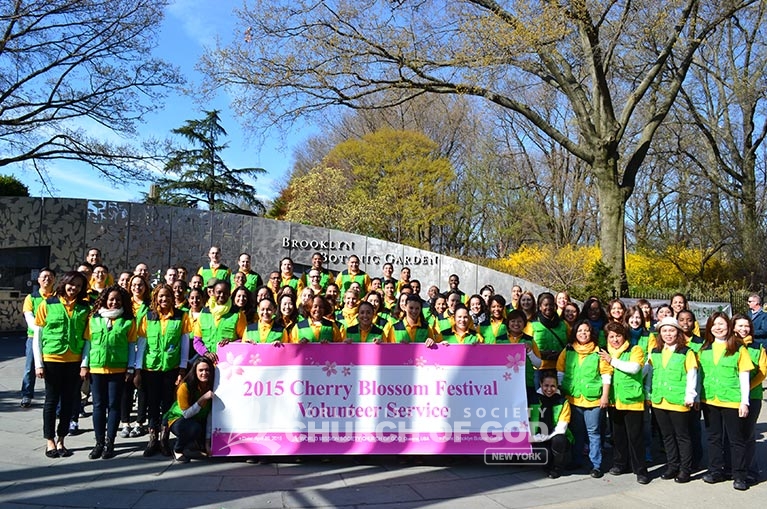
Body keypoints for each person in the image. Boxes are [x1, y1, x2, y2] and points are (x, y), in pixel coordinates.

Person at [32, 271, 90, 458]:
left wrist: (84, 364)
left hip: (73, 361)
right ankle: (49, 440)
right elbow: (37, 336)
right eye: (71, 284)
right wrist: (38, 364)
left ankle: (61, 439)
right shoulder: (47, 304)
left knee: (68, 402)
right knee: (51, 401)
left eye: (79, 286)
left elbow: (87, 339)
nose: (74, 289)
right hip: (51, 359)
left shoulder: (84, 308)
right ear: (64, 283)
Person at [698, 312, 754, 490]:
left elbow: (744, 376)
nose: (718, 327)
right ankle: (716, 470)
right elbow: (699, 376)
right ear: (709, 327)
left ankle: (739, 475)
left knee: (736, 440)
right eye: (714, 324)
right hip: (710, 400)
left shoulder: (738, 348)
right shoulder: (704, 349)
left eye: (721, 324)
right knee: (714, 438)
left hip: (731, 400)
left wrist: (744, 402)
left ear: (729, 327)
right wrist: (697, 396)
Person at [135, 284, 192, 457]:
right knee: (152, 404)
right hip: (150, 368)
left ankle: (164, 438)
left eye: (167, 296)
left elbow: (184, 345)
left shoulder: (181, 316)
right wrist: (138, 370)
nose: (164, 299)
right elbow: (141, 344)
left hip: (171, 368)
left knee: (167, 404)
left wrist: (182, 369)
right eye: (160, 296)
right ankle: (152, 438)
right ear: (155, 298)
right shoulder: (148, 316)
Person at [81, 285, 137, 460]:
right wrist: (84, 365)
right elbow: (88, 344)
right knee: (98, 405)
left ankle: (110, 442)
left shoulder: (128, 320)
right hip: (97, 368)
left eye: (118, 300)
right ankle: (99, 442)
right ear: (105, 300)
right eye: (111, 299)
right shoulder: (93, 318)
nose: (114, 302)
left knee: (114, 406)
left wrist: (130, 368)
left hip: (118, 369)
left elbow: (131, 346)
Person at [645, 316, 697, 483]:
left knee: (682, 436)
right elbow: (650, 374)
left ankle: (685, 469)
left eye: (672, 330)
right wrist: (648, 392)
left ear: (678, 332)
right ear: (660, 333)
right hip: (660, 399)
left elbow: (692, 374)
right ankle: (672, 465)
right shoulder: (655, 351)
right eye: (664, 330)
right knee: (667, 436)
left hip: (678, 399)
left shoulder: (686, 352)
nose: (668, 334)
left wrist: (691, 395)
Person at [556, 319, 611, 478]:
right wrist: (561, 389)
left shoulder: (598, 352)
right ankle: (577, 460)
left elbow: (606, 375)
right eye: (580, 331)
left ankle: (596, 465)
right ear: (575, 333)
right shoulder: (568, 350)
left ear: (591, 332)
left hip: (593, 399)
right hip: (573, 398)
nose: (583, 333)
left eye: (586, 330)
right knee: (577, 432)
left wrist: (605, 396)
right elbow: (560, 371)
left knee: (593, 432)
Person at [599, 322, 649, 484]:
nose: (615, 339)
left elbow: (634, 368)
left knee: (635, 437)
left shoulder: (635, 350)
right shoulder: (605, 353)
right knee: (618, 435)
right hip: (615, 401)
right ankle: (620, 464)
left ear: (624, 336)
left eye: (618, 336)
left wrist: (612, 360)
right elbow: (606, 374)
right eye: (611, 336)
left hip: (632, 400)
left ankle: (640, 470)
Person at [731, 313, 767, 484]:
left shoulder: (757, 347)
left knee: (747, 434)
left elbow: (762, 372)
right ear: (733, 327)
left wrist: (746, 388)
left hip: (752, 396)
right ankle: (734, 467)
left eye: (746, 326)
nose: (744, 329)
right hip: (729, 396)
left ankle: (751, 470)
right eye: (740, 326)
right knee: (732, 434)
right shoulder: (728, 346)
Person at [164, 356, 215, 463]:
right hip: (179, 418)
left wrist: (207, 443)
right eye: (201, 370)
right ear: (195, 371)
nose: (204, 373)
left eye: (207, 370)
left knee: (202, 442)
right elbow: (186, 414)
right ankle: (178, 450)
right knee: (193, 429)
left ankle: (194, 443)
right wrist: (203, 399)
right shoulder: (185, 387)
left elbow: (211, 415)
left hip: (200, 418)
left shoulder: (213, 386)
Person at [21, 268, 56, 408]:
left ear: (54, 279)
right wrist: (39, 329)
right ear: (39, 279)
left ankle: (51, 396)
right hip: (33, 337)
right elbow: (29, 316)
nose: (47, 279)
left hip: (52, 338)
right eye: (44, 277)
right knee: (30, 367)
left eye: (50, 277)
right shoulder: (31, 298)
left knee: (51, 369)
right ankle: (26, 395)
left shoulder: (57, 297)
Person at [529, 371, 572, 479]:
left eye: (553, 386)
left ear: (557, 386)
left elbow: (561, 428)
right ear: (540, 384)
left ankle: (557, 467)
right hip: (537, 436)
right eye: (546, 385)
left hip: (555, 434)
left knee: (559, 440)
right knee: (544, 454)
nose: (549, 389)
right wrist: (534, 437)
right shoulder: (533, 399)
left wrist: (545, 437)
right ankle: (547, 465)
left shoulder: (563, 401)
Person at [192, 280, 247, 363]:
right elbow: (197, 341)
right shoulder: (204, 313)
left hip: (228, 362)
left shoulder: (237, 314)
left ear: (229, 294)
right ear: (213, 293)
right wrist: (206, 353)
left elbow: (244, 339)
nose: (222, 295)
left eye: (225, 293)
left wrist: (231, 343)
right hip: (207, 363)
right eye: (219, 292)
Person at [532, 292, 569, 371]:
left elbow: (571, 344)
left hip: (560, 366)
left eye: (551, 305)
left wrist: (561, 354)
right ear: (540, 307)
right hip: (539, 368)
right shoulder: (531, 325)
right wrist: (541, 354)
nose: (549, 307)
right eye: (545, 305)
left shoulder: (563, 324)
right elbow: (527, 347)